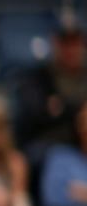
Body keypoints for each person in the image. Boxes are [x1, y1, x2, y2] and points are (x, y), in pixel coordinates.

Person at [14, 22, 85, 171]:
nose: (71, 50)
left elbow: (55, 109)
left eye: (75, 43)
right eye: (66, 44)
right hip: (49, 142)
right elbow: (36, 112)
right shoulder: (38, 78)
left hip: (82, 141)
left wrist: (62, 107)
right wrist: (76, 108)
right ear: (56, 45)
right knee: (47, 157)